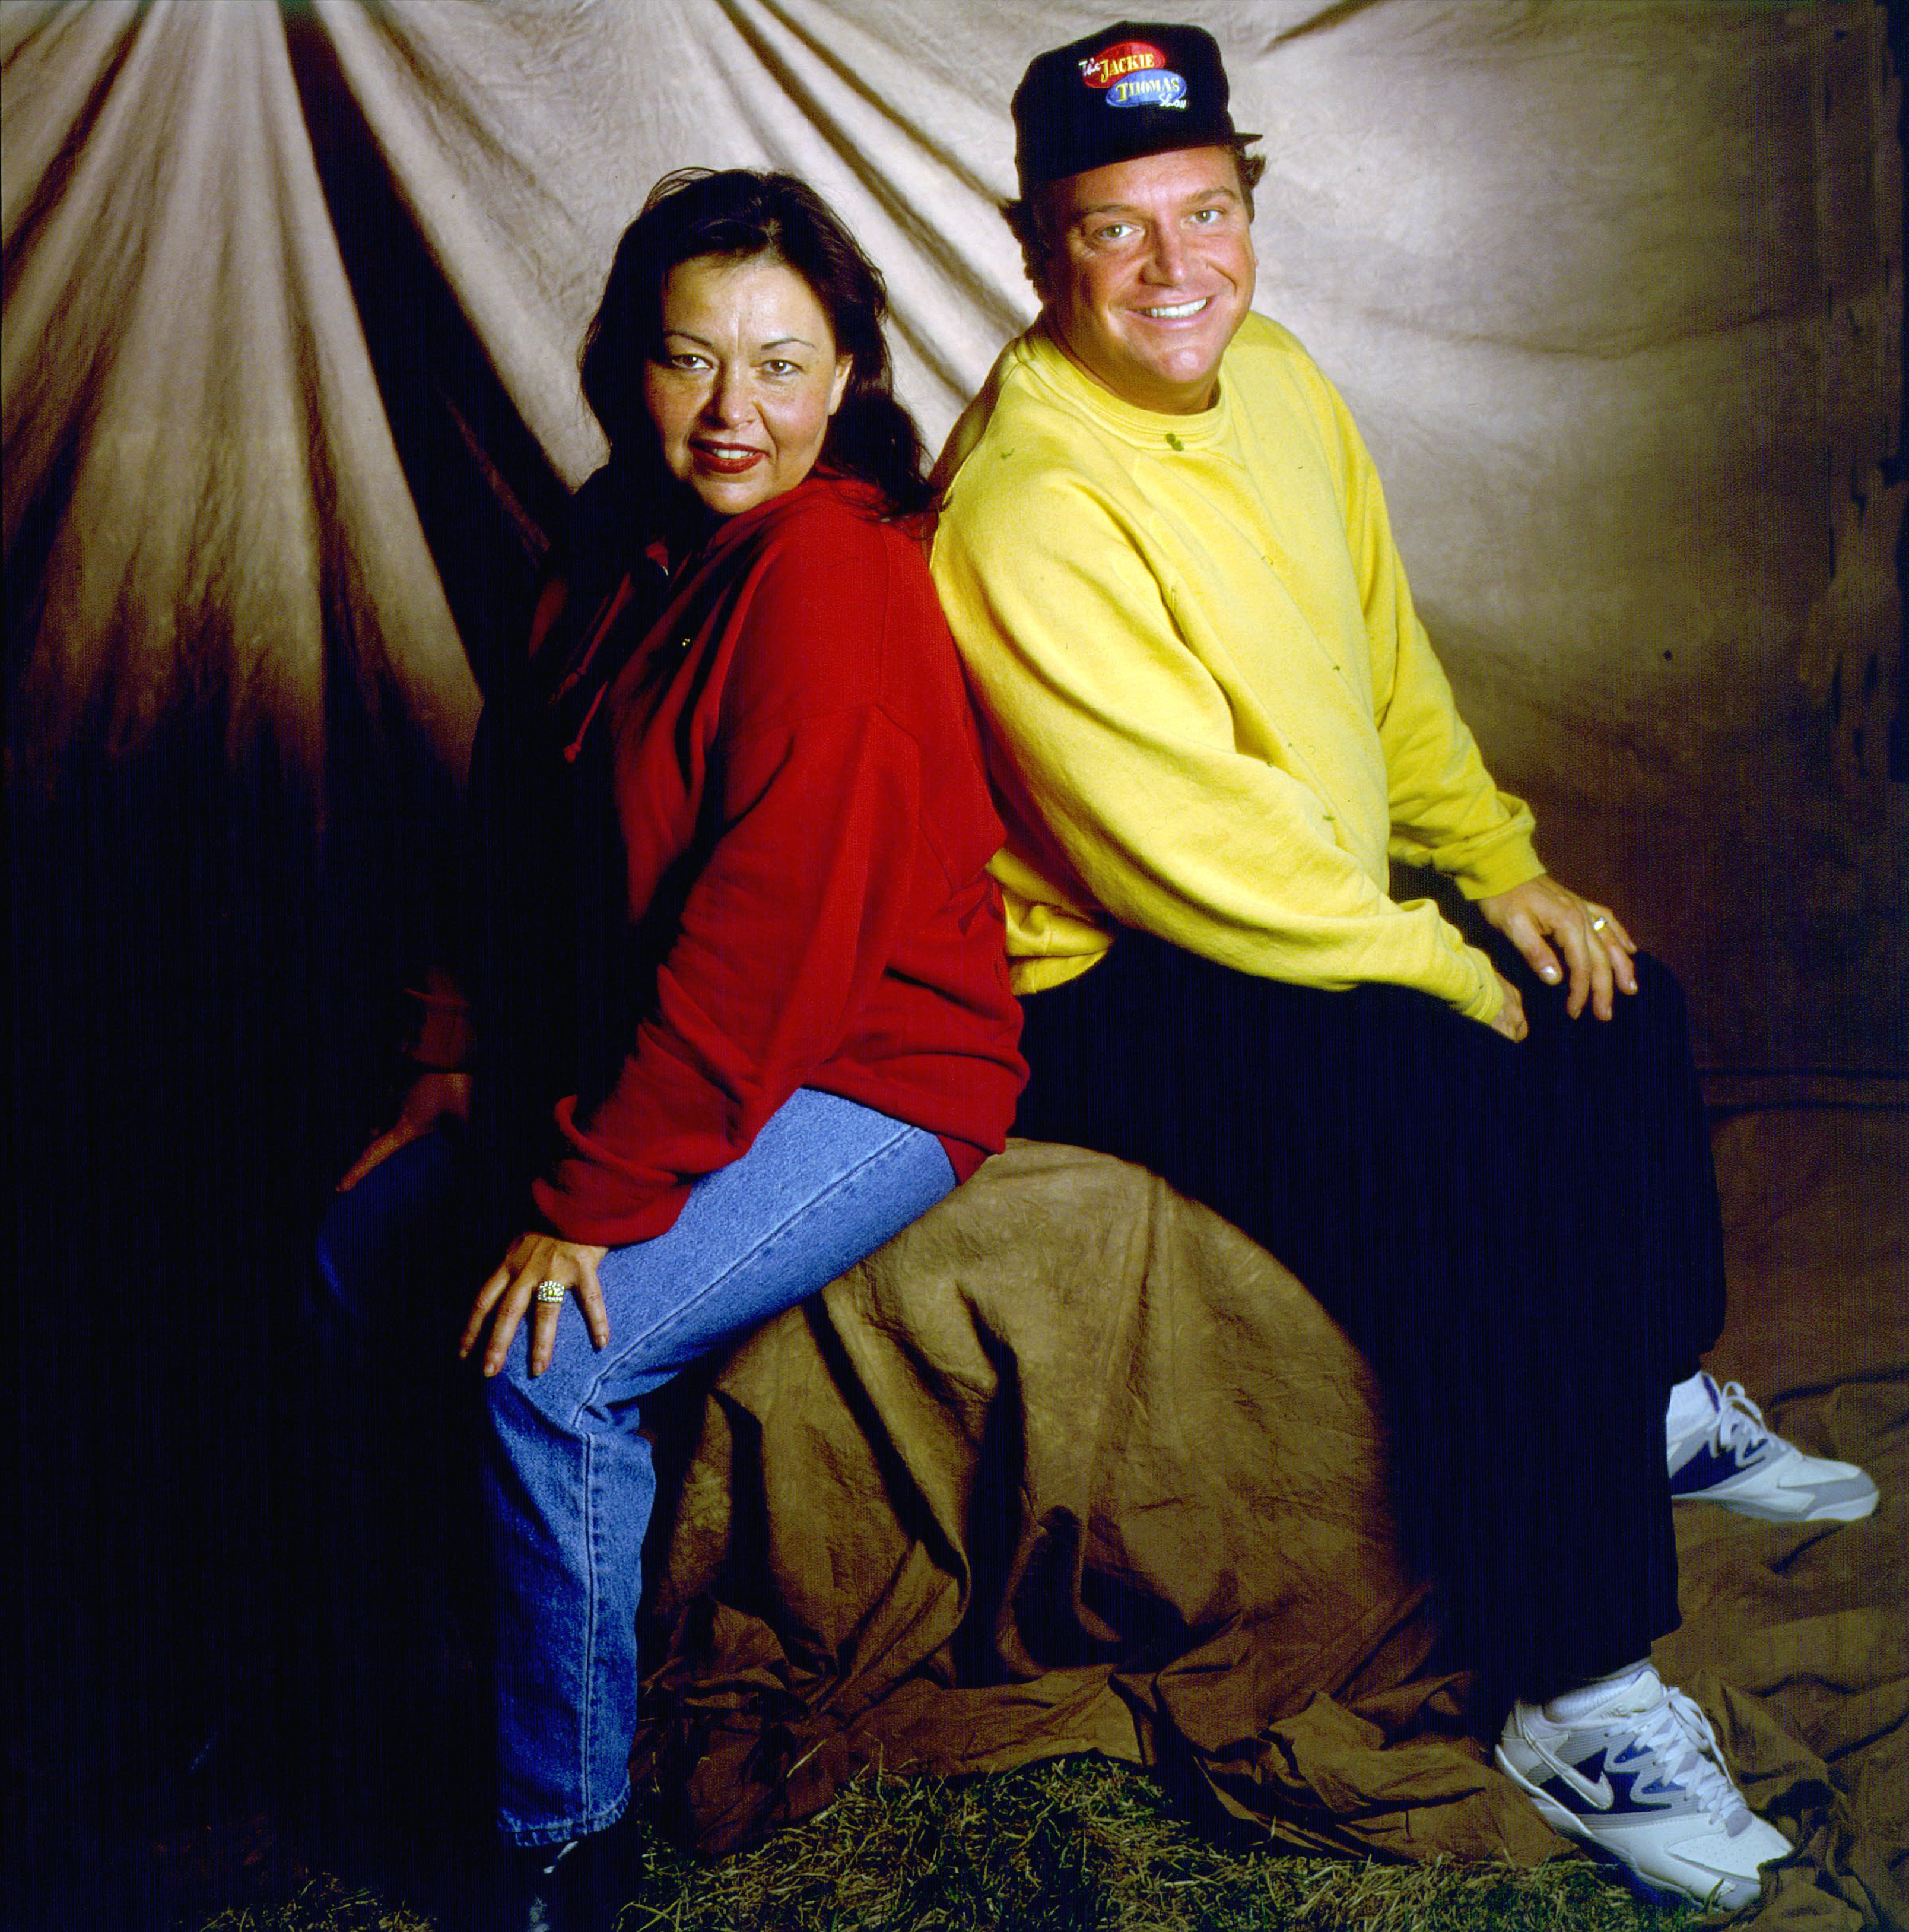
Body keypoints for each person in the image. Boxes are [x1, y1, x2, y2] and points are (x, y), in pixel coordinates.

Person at [929, 23, 1876, 1913]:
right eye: (1114, 234)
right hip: (1106, 971)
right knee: (1472, 1120)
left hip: (1298, 897)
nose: (1173, 269)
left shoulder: (1273, 377)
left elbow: (1384, 673)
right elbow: (1182, 859)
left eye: (1204, 213)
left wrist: (1502, 878)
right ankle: (1576, 1683)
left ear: (1247, 211)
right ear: (1042, 251)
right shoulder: (1023, 504)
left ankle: (1644, 1397)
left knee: (1620, 990)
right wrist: (1439, 975)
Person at [328, 167, 1024, 1927]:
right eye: (689, 359)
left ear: (852, 373)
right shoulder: (615, 542)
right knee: (363, 1251)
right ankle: (448, 1698)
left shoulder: (829, 581)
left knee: (553, 1365)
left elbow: (766, 952)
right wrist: (447, 1057)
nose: (735, 413)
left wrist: (584, 1200)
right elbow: (506, 829)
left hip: (866, 1063)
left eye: (784, 366)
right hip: (673, 1034)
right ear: (625, 367)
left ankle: (561, 1844)